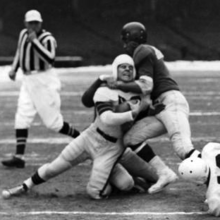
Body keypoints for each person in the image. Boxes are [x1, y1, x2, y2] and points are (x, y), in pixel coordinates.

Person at [2, 54, 159, 200]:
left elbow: (146, 118)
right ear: (115, 70)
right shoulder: (105, 89)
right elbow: (106, 117)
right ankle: (24, 186)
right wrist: (131, 113)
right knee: (55, 167)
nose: (127, 69)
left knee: (109, 188)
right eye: (123, 66)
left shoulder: (140, 96)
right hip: (91, 137)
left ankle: (116, 178)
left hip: (113, 149)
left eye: (130, 67)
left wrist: (154, 108)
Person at [82, 22, 201, 192]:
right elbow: (88, 101)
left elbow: (146, 86)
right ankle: (164, 173)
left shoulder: (142, 51)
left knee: (183, 148)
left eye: (125, 41)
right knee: (131, 138)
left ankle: (213, 175)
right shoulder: (142, 57)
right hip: (158, 107)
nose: (124, 46)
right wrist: (102, 80)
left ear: (132, 41)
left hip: (169, 101)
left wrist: (118, 85)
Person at [1, 10, 80, 169]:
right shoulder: (23, 33)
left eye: (36, 23)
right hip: (28, 79)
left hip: (44, 80)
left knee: (53, 123)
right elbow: (20, 51)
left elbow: (50, 59)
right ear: (25, 23)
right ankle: (19, 156)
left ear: (41, 23)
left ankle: (84, 139)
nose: (33, 26)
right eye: (30, 23)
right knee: (22, 116)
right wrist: (14, 68)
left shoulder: (47, 38)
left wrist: (35, 42)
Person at [178, 142, 220, 217]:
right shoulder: (208, 150)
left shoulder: (213, 196)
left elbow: (216, 210)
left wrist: (212, 202)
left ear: (200, 179)